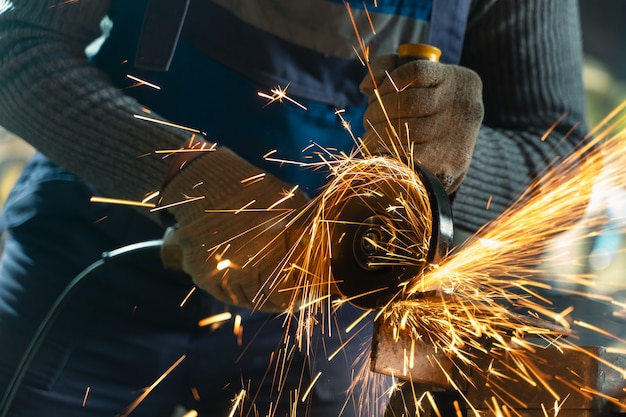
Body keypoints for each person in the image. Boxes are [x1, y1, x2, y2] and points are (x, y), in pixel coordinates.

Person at [0, 1, 588, 416]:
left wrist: (459, 158)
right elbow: (19, 47)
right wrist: (185, 174)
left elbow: (567, 168)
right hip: (91, 251)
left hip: (332, 320)